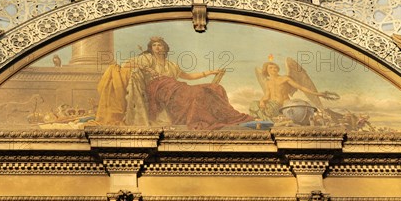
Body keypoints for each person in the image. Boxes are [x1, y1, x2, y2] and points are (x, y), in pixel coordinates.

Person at [97, 36, 253, 129]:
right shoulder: (147, 58)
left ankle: (220, 117)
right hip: (159, 89)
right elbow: (126, 64)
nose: (157, 47)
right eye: (154, 45)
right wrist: (145, 67)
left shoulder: (172, 65)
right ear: (151, 48)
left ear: (165, 48)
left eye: (160, 45)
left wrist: (209, 72)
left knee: (211, 88)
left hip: (175, 87)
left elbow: (189, 77)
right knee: (195, 93)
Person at [251, 61, 336, 120]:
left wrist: (316, 93)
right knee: (254, 104)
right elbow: (267, 95)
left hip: (283, 103)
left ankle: (269, 120)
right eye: (271, 68)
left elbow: (301, 87)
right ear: (267, 70)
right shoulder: (268, 82)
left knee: (270, 110)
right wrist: (262, 101)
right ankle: (266, 121)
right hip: (272, 104)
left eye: (275, 67)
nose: (274, 69)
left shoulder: (285, 78)